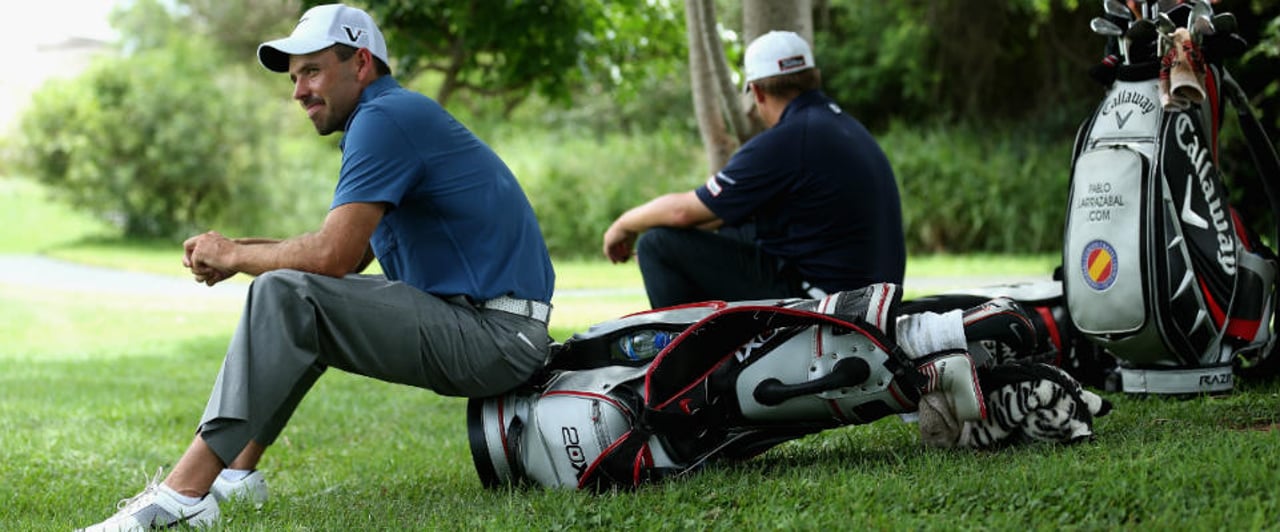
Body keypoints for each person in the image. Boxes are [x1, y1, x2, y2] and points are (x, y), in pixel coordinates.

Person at [80, 4, 554, 530]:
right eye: (294, 77)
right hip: (490, 327)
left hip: (496, 335)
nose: (298, 91)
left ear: (361, 64)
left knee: (287, 295)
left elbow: (331, 256)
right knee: (300, 295)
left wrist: (236, 256)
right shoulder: (389, 118)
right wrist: (237, 248)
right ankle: (237, 474)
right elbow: (341, 257)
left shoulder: (384, 119)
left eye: (312, 71)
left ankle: (183, 496)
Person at [602, 30, 905, 309]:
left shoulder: (790, 140)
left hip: (825, 303)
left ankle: (687, 363)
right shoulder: (842, 127)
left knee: (658, 245)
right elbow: (719, 216)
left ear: (758, 92)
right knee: (738, 228)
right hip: (871, 299)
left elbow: (685, 211)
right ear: (814, 77)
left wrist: (624, 225)